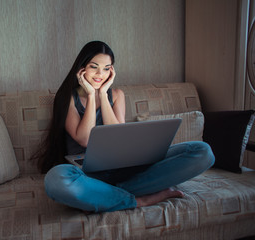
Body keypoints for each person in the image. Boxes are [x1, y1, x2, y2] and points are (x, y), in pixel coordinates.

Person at [37, 41, 215, 212]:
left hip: (125, 169)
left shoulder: (117, 95)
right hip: (88, 175)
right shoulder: (66, 98)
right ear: (82, 68)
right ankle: (137, 199)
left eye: (106, 68)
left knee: (202, 151)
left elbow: (118, 137)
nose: (100, 74)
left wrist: (104, 95)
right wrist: (92, 96)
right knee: (56, 180)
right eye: (94, 67)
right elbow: (85, 139)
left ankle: (105, 196)